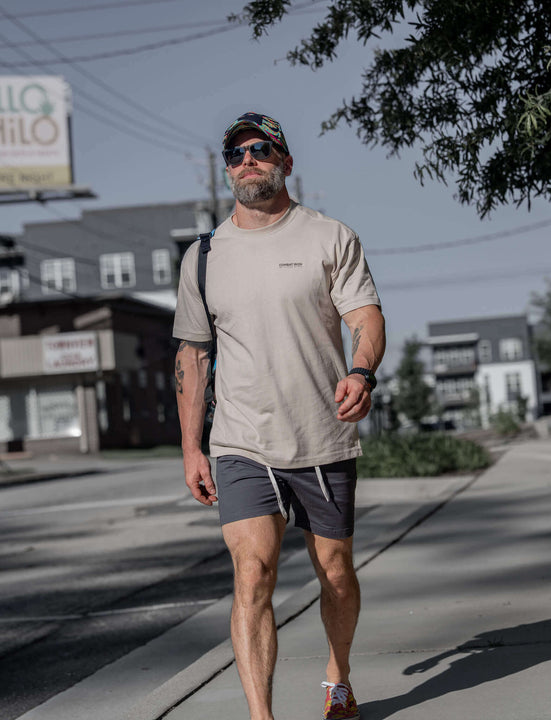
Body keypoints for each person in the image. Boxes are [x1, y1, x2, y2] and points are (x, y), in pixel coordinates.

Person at [173, 111, 385, 720]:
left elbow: (365, 317)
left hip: (322, 433)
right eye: (235, 154)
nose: (247, 161)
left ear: (286, 162)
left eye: (260, 150)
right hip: (241, 440)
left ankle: (338, 679)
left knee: (335, 572)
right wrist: (192, 447)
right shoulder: (204, 256)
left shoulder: (329, 236)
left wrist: (361, 372)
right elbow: (192, 355)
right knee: (253, 572)